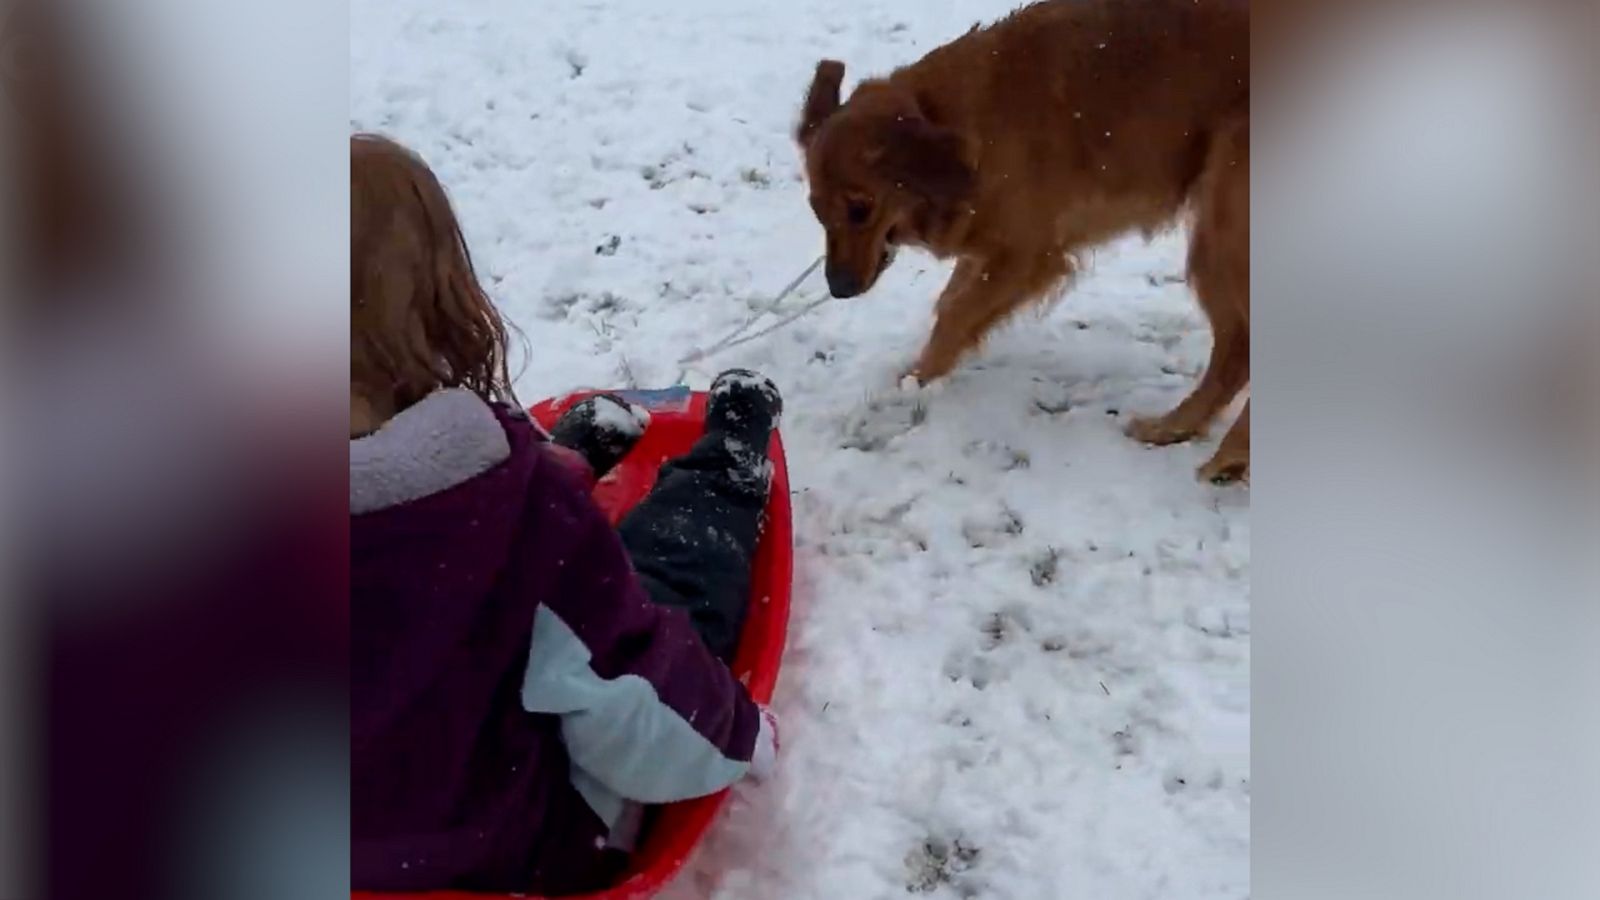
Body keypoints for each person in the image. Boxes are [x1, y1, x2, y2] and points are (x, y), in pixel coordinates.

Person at [350, 133, 780, 896]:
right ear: (439, 309)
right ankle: (727, 464)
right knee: (665, 586)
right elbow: (636, 712)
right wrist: (740, 734)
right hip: (508, 852)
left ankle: (571, 454)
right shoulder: (517, 527)